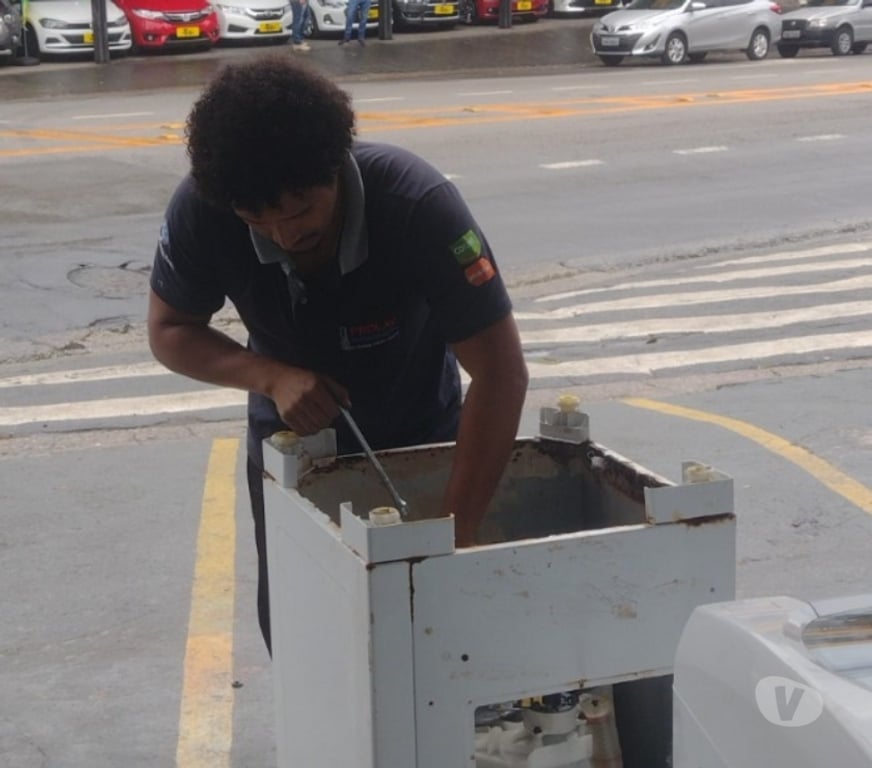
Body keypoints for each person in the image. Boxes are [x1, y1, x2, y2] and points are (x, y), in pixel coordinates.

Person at [147, 56, 528, 654]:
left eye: (301, 212)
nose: (284, 236)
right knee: (306, 642)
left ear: (336, 169)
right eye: (258, 220)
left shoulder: (415, 204)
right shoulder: (205, 207)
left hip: (424, 445)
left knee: (430, 643)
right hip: (292, 454)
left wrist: (456, 530)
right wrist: (269, 376)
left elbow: (501, 373)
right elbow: (169, 330)